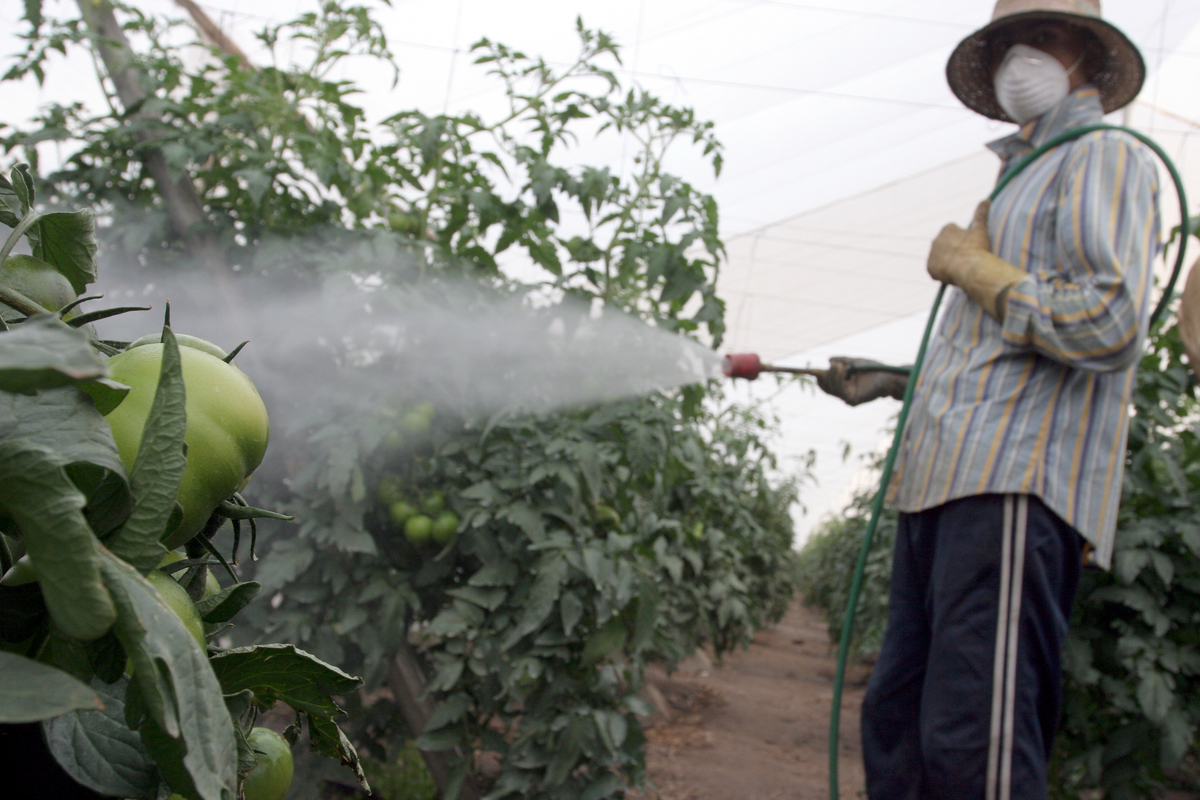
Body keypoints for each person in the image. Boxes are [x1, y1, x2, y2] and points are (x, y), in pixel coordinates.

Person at [815, 2, 1161, 798]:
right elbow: (1004, 354)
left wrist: (978, 272)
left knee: (977, 740)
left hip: (1010, 486)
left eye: (1041, 37)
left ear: (1086, 54)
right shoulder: (1016, 174)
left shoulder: (1102, 154)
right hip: (942, 481)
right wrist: (896, 379)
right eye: (1005, 42)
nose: (1018, 59)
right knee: (901, 726)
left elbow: (1108, 322)